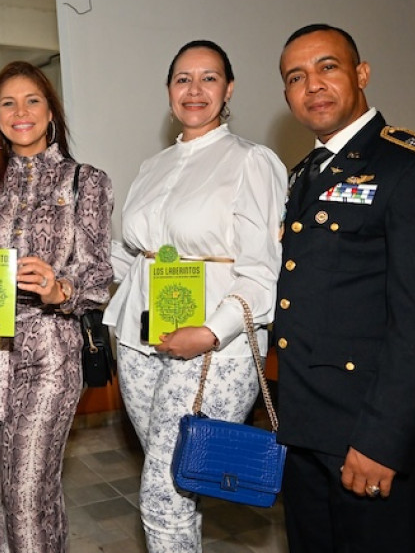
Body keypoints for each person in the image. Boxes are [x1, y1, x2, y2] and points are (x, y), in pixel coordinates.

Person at [274, 24, 415, 553]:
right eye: (296, 76)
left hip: (369, 433)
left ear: (361, 74)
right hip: (307, 430)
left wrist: (382, 441)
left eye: (328, 67)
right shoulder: (307, 173)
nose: (312, 84)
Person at [103, 40, 287, 552]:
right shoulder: (152, 167)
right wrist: (76, 265)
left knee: (163, 494)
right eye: (183, 78)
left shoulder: (252, 161)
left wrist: (208, 333)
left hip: (214, 349)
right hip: (141, 343)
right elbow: (136, 256)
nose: (195, 89)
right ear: (168, 90)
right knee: (179, 483)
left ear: (228, 89)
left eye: (209, 78)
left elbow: (262, 272)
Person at [0, 60, 113, 553]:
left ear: (51, 111)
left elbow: (99, 273)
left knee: (28, 492)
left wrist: (60, 288)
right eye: (8, 103)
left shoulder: (87, 181)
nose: (21, 112)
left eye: (32, 100)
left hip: (49, 351)